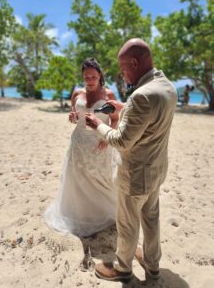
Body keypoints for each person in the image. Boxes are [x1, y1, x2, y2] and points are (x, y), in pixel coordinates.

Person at [85, 38, 177, 281]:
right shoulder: (167, 87)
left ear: (135, 63)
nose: (122, 73)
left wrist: (97, 125)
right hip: (157, 170)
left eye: (123, 67)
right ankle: (152, 263)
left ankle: (123, 269)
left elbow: (122, 140)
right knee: (151, 218)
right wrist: (124, 108)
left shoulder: (141, 96)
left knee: (127, 223)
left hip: (136, 175)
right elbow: (151, 116)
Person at [44, 58, 119, 237]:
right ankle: (79, 214)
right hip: (78, 142)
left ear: (100, 75)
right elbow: (73, 116)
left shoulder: (108, 95)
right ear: (82, 77)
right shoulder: (77, 93)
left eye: (93, 76)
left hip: (100, 141)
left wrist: (108, 137)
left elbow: (116, 119)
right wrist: (71, 117)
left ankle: (102, 213)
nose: (90, 80)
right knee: (76, 177)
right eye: (86, 77)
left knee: (100, 178)